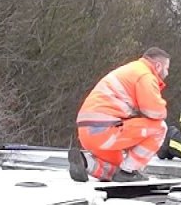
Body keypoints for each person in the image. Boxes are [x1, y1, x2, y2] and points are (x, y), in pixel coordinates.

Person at [70, 47, 171, 183]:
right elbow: (154, 112)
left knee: (116, 170)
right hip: (105, 130)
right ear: (158, 66)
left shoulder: (131, 70)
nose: (167, 73)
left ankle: (86, 162)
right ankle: (129, 171)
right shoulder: (145, 75)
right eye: (167, 68)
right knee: (160, 128)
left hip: (87, 133)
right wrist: (163, 108)